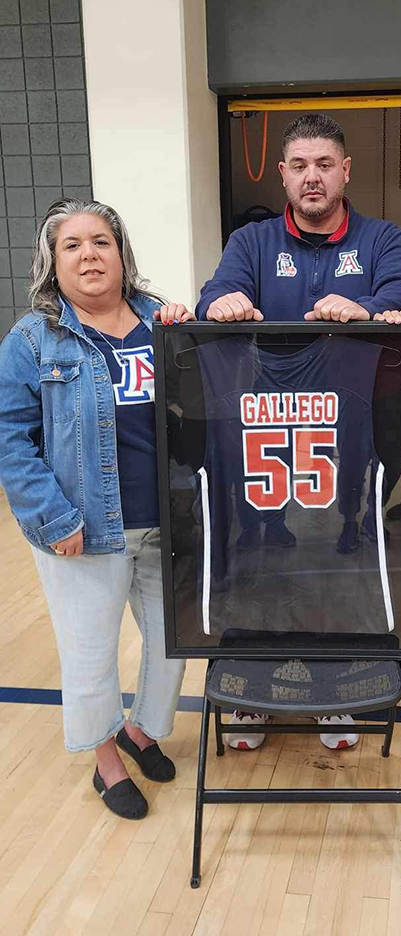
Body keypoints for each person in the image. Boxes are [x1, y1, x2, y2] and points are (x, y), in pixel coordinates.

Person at [196, 113, 401, 751]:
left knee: (333, 555)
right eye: (299, 166)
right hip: (267, 426)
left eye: (325, 164)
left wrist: (370, 308)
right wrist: (222, 303)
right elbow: (218, 288)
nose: (312, 177)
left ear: (345, 171)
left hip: (353, 421)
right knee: (259, 555)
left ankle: (334, 685)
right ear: (283, 174)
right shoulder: (254, 240)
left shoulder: (382, 238)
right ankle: (256, 685)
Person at [0, 198, 196, 821]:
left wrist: (188, 335)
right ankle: (106, 762)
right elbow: (9, 436)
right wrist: (54, 519)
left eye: (101, 241)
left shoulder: (159, 322)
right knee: (90, 654)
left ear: (122, 253)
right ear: (51, 263)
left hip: (166, 520)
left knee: (172, 645)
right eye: (73, 245)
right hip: (84, 528)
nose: (89, 255)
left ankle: (141, 734)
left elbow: (197, 410)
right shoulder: (33, 340)